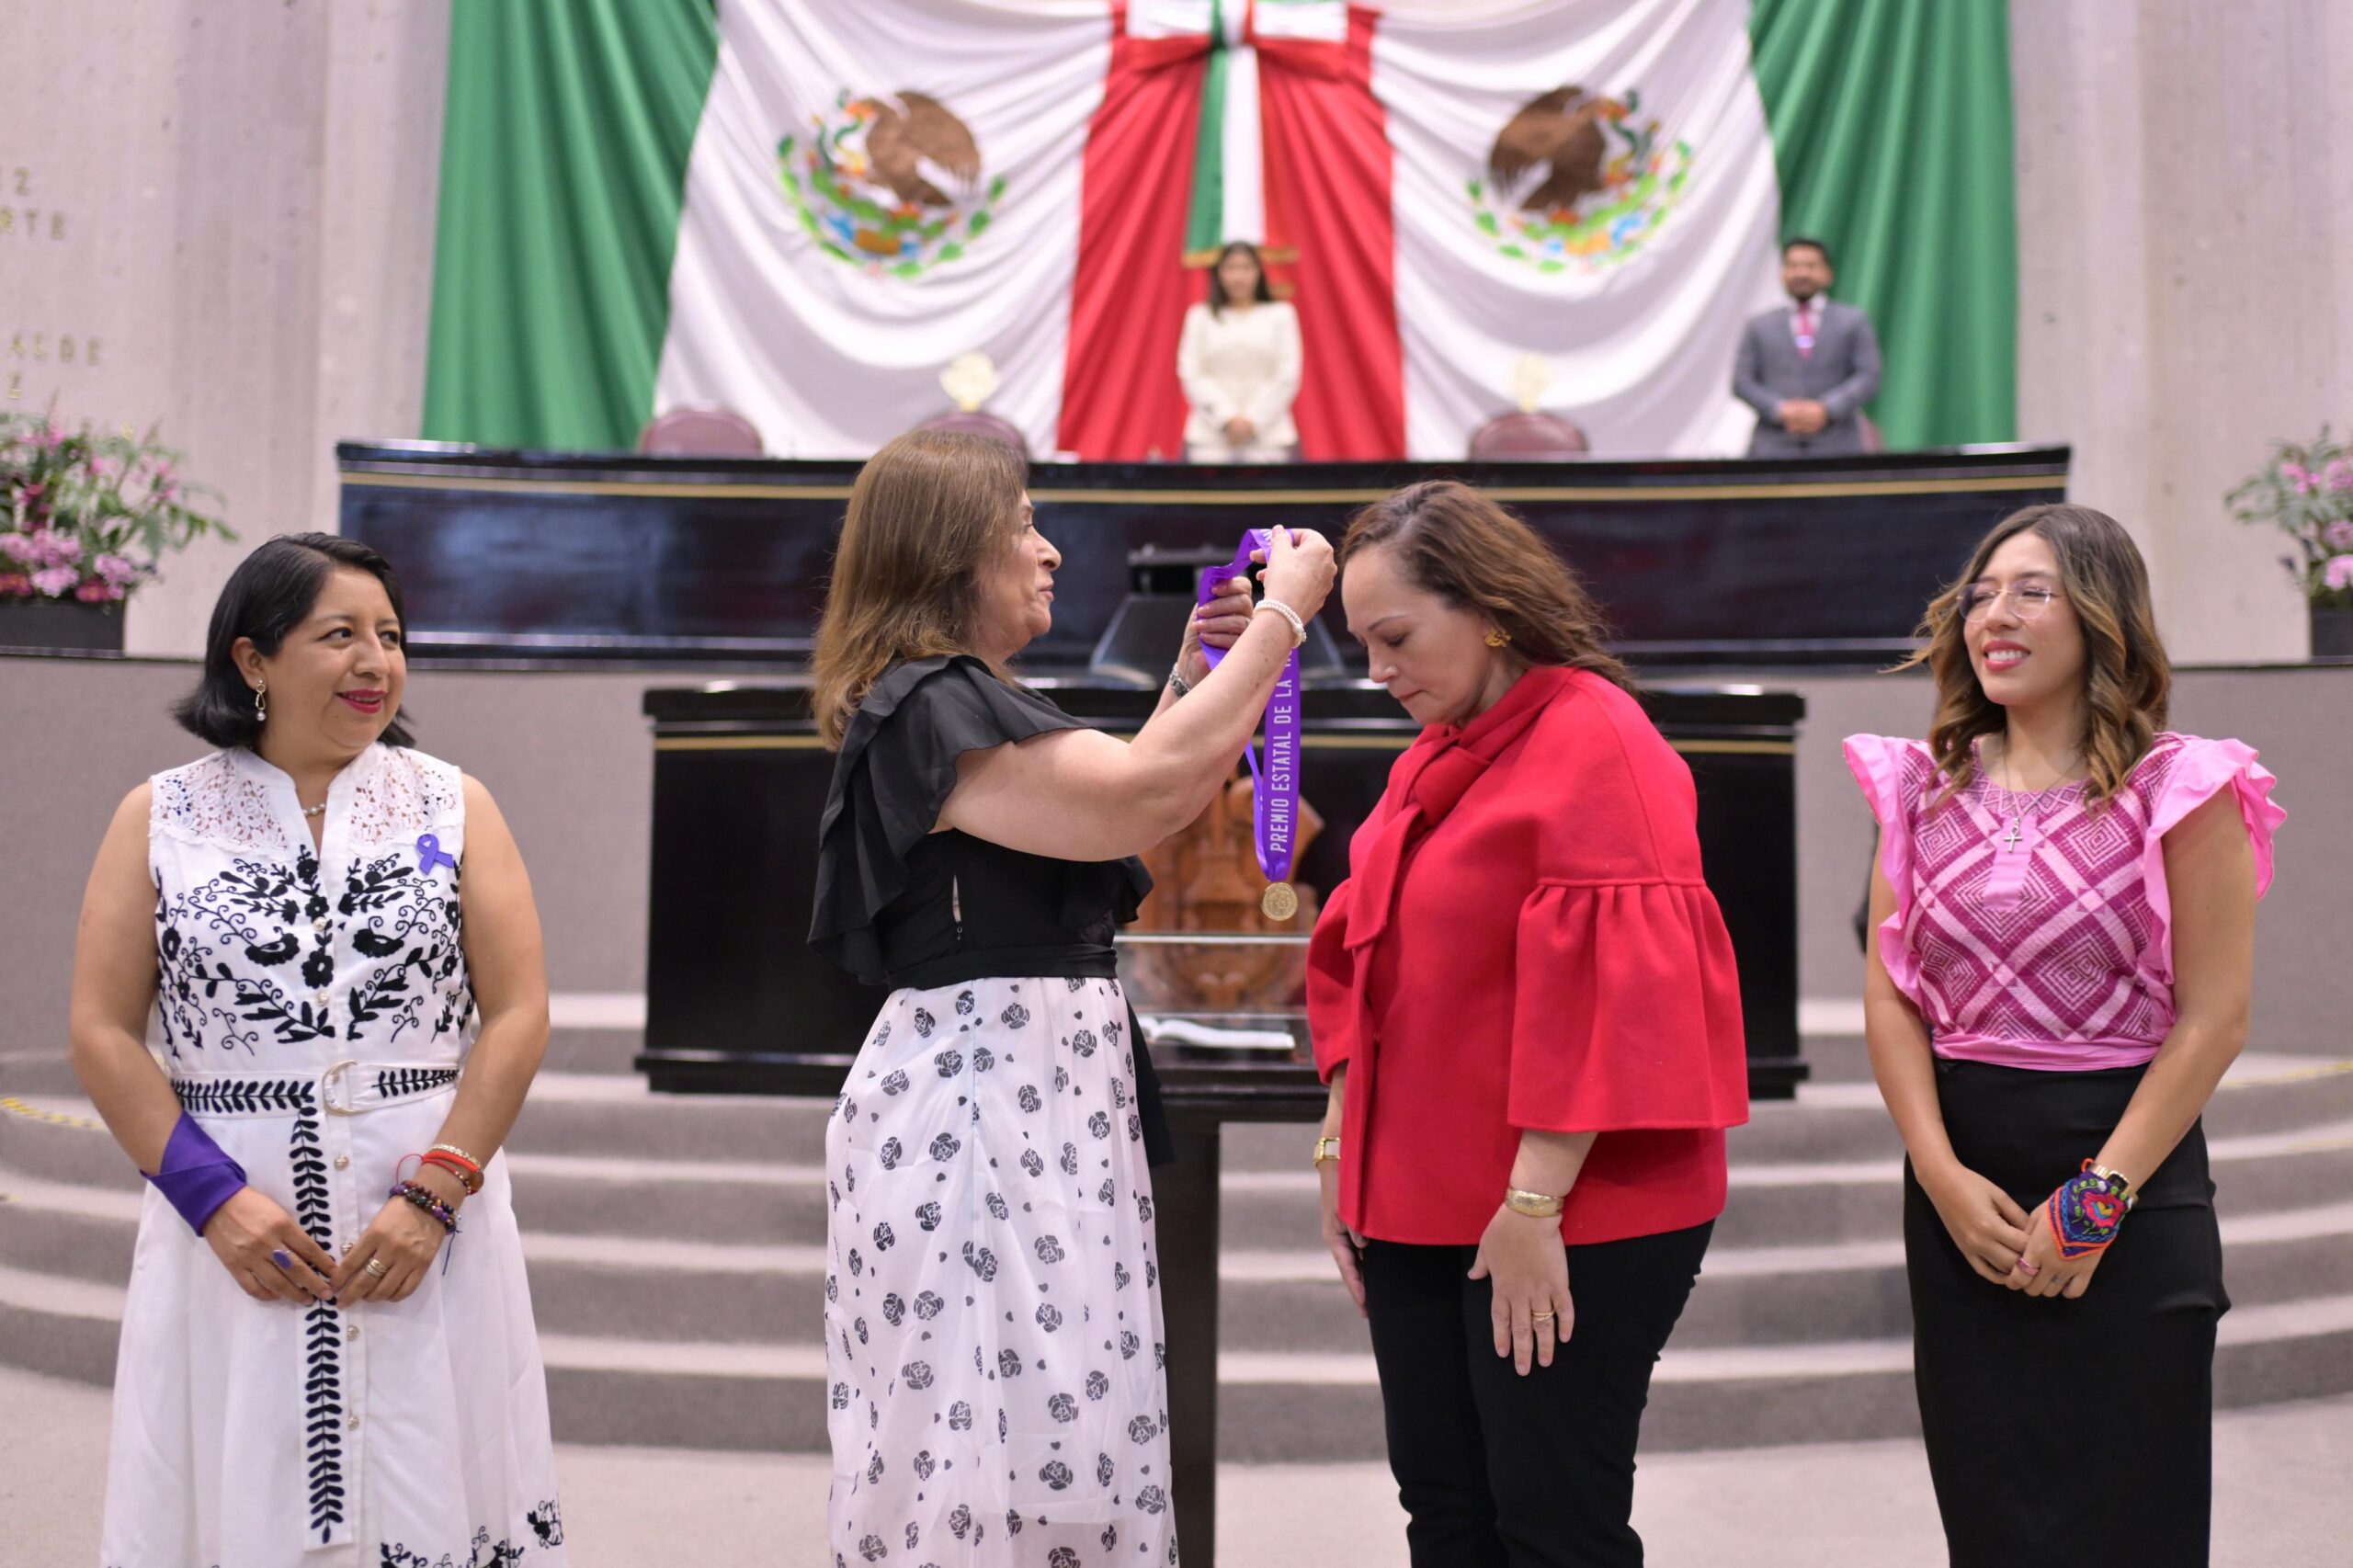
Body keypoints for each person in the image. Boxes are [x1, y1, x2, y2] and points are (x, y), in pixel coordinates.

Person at [807, 428, 1335, 1563]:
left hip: (1031, 1094)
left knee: (1061, 1425)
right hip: (979, 1106)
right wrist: (1287, 618)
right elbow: (1134, 800)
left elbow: (1137, 787)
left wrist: (1199, 678)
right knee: (987, 1437)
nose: (1050, 553)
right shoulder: (929, 701)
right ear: (953, 554)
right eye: (1024, 527)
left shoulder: (968, 697)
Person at [68, 533, 566, 1566]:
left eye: (389, 635)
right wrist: (215, 1200)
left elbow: (517, 1012)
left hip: (429, 1216)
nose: (374, 661)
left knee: (431, 1469)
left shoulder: (452, 803)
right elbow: (102, 1030)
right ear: (253, 660)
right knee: (241, 1475)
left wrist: (437, 1191)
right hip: (237, 1226)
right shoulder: (157, 816)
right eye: (338, 635)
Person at [1303, 481, 1749, 1566]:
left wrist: (1533, 1200)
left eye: (1394, 636)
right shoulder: (1437, 750)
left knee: (1551, 1523)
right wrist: (1337, 1144)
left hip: (1567, 1207)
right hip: (1416, 1198)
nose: (1376, 672)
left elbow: (1622, 1002)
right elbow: (1363, 958)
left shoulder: (1597, 738)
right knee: (1446, 1516)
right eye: (1361, 643)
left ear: (1489, 605)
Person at [1846, 503, 2283, 1565]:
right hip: (1964, 1187)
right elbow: (1889, 994)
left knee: (2130, 1513)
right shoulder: (1919, 783)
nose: (1993, 614)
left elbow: (2215, 1018)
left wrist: (2096, 1201)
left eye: (2029, 591)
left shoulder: (2181, 783)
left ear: (2099, 615)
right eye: (1980, 593)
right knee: (1992, 1515)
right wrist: (1939, 1172)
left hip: (2127, 1174)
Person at [1733, 236, 1882, 457]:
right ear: (1782, 273)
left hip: (1839, 446)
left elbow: (1869, 376)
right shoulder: (1759, 325)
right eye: (1793, 266)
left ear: (1827, 273)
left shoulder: (1853, 321)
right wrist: (1780, 409)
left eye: (1810, 266)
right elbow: (1742, 382)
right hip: (1773, 448)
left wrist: (1826, 409)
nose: (1801, 273)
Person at [1177, 240, 1302, 463]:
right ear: (1219, 273)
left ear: (1258, 272)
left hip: (1270, 439)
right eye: (1231, 268)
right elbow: (1192, 373)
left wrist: (1253, 420)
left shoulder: (1281, 315)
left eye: (1246, 267)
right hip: (1210, 439)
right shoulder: (1200, 317)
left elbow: (1286, 374)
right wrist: (1227, 419)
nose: (1239, 276)